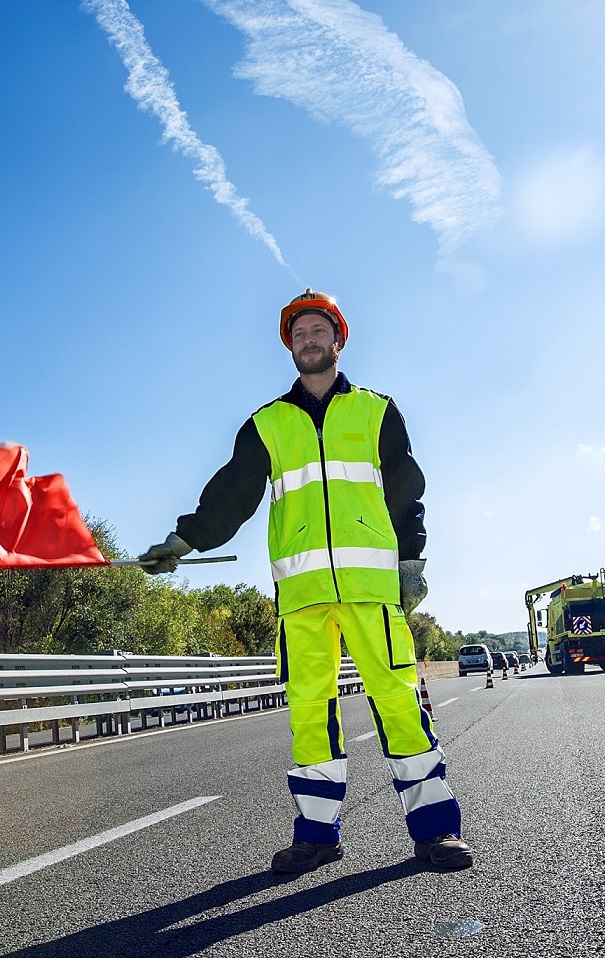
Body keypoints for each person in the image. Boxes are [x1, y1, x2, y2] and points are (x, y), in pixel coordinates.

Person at [138, 289, 473, 874]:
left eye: (318, 331)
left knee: (398, 704)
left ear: (338, 341)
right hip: (302, 600)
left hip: (373, 595)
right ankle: (317, 836)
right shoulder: (267, 424)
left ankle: (435, 832)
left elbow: (405, 493)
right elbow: (230, 496)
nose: (308, 341)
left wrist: (412, 561)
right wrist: (182, 542)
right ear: (290, 348)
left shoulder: (376, 411)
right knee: (309, 714)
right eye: (299, 334)